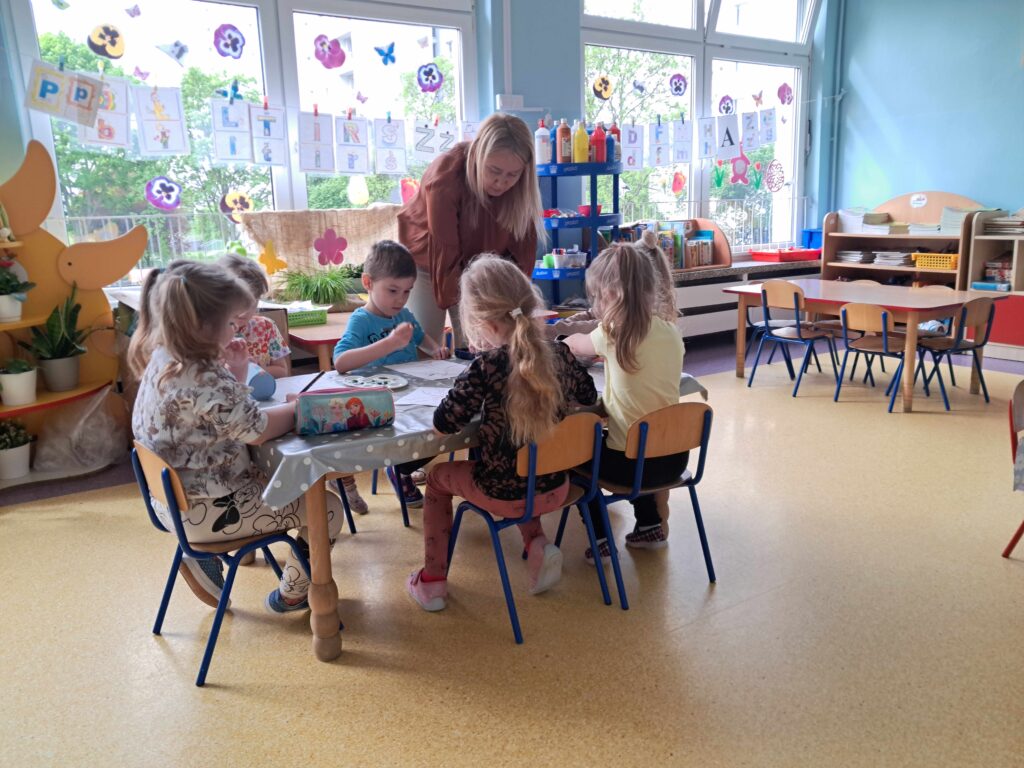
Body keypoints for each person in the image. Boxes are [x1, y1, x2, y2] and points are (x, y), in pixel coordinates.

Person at [131, 261, 345, 613]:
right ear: (203, 325)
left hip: (171, 504)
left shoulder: (166, 357)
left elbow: (222, 414)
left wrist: (238, 372)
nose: (236, 330)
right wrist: (298, 408)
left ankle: (203, 559)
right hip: (208, 511)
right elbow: (257, 430)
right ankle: (292, 594)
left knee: (281, 479)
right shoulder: (202, 373)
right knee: (329, 507)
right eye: (232, 323)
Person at [406, 255, 598, 612]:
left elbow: (444, 423)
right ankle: (537, 544)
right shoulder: (559, 354)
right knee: (528, 460)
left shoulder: (487, 366)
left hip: (504, 495)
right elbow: (588, 397)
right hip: (557, 488)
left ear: (483, 322)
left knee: (436, 478)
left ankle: (432, 582)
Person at [565, 243, 687, 562]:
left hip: (631, 467)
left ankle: (601, 538)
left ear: (611, 295)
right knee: (640, 438)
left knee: (575, 457)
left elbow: (577, 345)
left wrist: (562, 341)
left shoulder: (612, 333)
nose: (595, 305)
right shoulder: (671, 332)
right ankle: (649, 526)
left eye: (597, 297)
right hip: (674, 459)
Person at [398, 113, 543, 347]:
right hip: (430, 261)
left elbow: (521, 260)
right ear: (477, 155)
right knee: (426, 342)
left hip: (481, 269)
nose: (502, 182)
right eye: (494, 171)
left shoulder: (521, 190)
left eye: (512, 174)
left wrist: (514, 304)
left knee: (485, 344)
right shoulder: (445, 177)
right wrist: (470, 316)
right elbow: (445, 255)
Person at [333, 240, 450, 509]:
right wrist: (389, 344)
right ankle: (398, 469)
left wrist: (435, 349)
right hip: (380, 404)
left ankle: (402, 468)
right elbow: (340, 362)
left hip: (412, 397)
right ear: (368, 283)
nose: (400, 299)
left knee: (443, 428)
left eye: (407, 291)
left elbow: (421, 337)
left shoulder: (404, 314)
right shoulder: (361, 320)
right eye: (393, 290)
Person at [544, 229, 677, 341]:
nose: (599, 299)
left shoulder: (624, 326)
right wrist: (561, 325)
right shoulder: (650, 312)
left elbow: (594, 327)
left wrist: (550, 330)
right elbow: (593, 313)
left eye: (602, 294)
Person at [217, 253, 291, 379]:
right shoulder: (211, 332)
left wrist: (257, 368)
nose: (244, 313)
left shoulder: (266, 327)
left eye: (251, 303)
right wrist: (236, 366)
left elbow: (283, 371)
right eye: (237, 303)